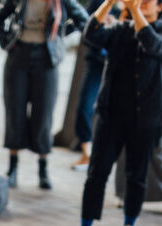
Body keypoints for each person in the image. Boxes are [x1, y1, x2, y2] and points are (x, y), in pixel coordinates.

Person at [66, 0, 162, 226]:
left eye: (148, 0)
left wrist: (135, 11)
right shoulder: (119, 29)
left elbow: (153, 45)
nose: (141, 2)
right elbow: (91, 34)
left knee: (136, 177)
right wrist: (108, 3)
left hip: (146, 118)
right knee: (96, 174)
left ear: (160, 7)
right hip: (110, 116)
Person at [0, 0, 89, 189]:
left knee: (43, 115)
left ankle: (43, 169)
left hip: (47, 60)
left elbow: (82, 19)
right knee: (15, 113)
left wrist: (59, 33)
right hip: (18, 56)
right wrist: (6, 40)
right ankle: (12, 169)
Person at [114, 8, 162, 217]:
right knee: (125, 147)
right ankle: (124, 193)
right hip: (126, 96)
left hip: (154, 96)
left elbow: (161, 52)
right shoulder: (122, 26)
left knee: (159, 147)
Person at [72, 0, 111, 171]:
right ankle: (86, 152)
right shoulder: (99, 2)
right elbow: (85, 23)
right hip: (96, 60)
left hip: (119, 63)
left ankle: (104, 155)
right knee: (84, 107)